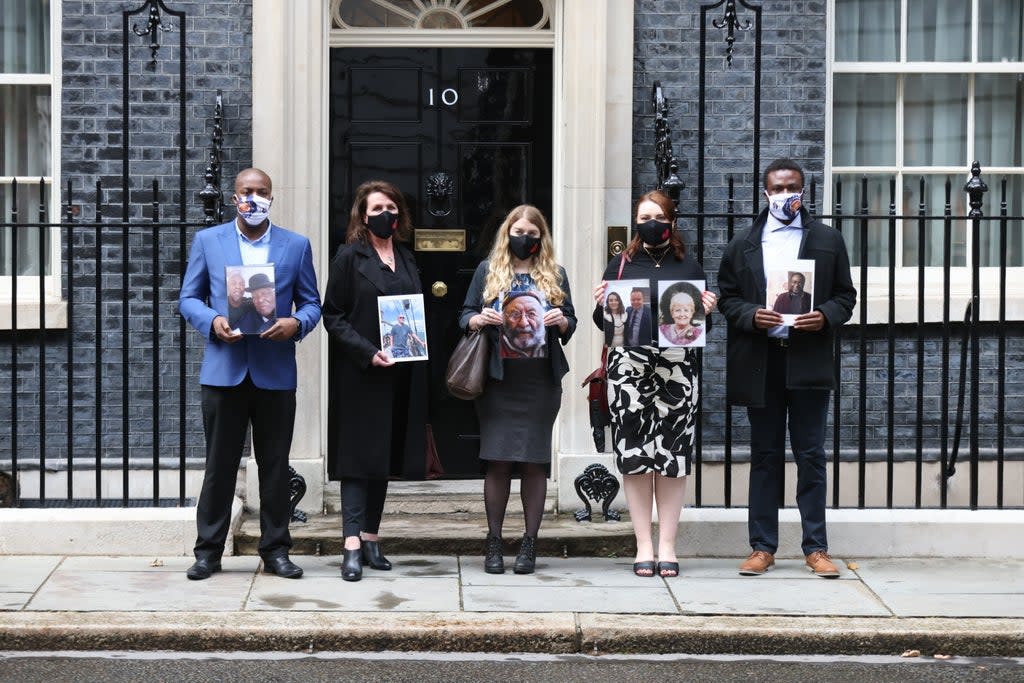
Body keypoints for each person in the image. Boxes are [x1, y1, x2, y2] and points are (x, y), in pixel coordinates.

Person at [179, 167, 321, 581]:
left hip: (275, 371)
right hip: (224, 370)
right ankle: (208, 552)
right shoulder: (209, 241)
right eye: (246, 191)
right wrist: (213, 320)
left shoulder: (295, 245)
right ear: (233, 196)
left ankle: (275, 550)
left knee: (275, 467)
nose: (253, 198)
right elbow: (188, 298)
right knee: (219, 466)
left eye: (261, 192)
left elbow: (312, 303)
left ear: (271, 198)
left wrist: (297, 324)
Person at [717, 158, 856, 579]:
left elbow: (846, 296)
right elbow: (726, 298)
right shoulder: (743, 243)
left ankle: (816, 548)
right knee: (765, 456)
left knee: (811, 455)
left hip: (808, 360)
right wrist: (750, 314)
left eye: (792, 187)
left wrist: (826, 315)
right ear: (765, 193)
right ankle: (762, 547)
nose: (785, 195)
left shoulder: (827, 240)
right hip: (763, 362)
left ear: (803, 190)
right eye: (777, 188)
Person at [592, 190, 716, 578]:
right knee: (634, 455)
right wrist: (601, 305)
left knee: (672, 458)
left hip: (678, 371)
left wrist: (706, 311)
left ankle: (668, 546)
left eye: (657, 216)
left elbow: (698, 329)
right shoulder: (621, 264)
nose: (650, 223)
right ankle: (643, 544)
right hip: (628, 370)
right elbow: (606, 327)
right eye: (643, 216)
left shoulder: (688, 264)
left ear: (671, 222)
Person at [460, 204, 575, 575]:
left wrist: (561, 321)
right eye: (518, 232)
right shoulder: (488, 272)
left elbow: (571, 320)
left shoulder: (554, 274)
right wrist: (479, 318)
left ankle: (529, 544)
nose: (524, 239)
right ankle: (493, 543)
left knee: (534, 462)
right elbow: (464, 315)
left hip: (540, 381)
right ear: (507, 233)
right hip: (498, 380)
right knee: (497, 460)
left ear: (541, 238)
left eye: (531, 233)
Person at [322, 180, 427, 582]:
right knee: (357, 459)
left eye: (392, 207)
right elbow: (333, 316)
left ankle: (371, 536)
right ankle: (350, 543)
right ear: (363, 216)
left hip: (400, 372)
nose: (387, 214)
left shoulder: (406, 256)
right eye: (378, 208)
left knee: (382, 458)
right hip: (362, 373)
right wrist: (367, 352)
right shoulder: (350, 257)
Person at [500, 291, 548, 358]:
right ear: (503, 318)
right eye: (515, 314)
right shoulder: (495, 345)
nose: (524, 323)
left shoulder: (550, 343)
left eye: (531, 314)